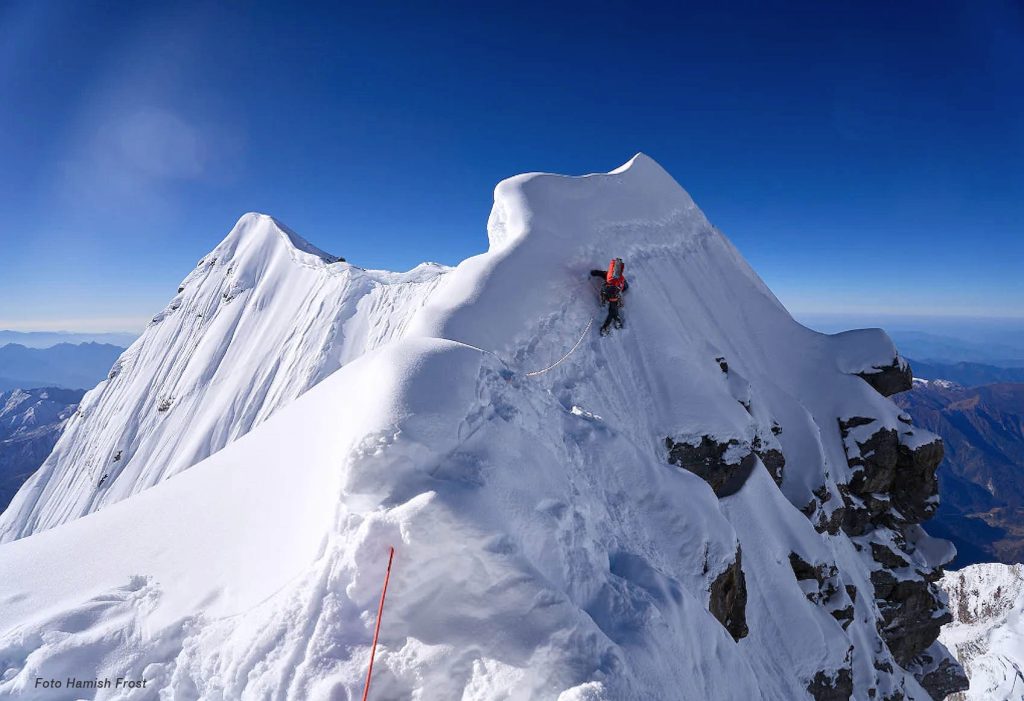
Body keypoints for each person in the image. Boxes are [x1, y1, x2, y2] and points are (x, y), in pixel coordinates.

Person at [590, 258, 629, 335]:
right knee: (613, 308)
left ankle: (610, 324)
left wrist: (593, 272)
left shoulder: (610, 279)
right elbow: (603, 273)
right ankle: (614, 321)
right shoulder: (614, 278)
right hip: (614, 292)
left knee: (613, 308)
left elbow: (600, 273)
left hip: (613, 292)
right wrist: (594, 272)